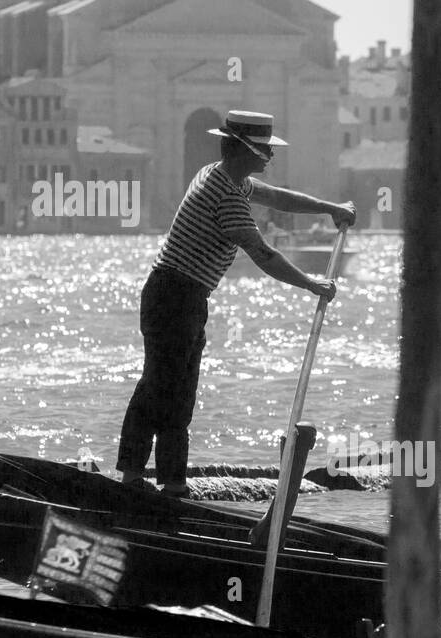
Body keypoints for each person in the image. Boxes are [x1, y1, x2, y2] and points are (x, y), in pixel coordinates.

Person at [116, 109, 357, 497]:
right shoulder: (225, 194)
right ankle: (137, 480)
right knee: (160, 389)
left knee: (178, 393)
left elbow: (276, 198)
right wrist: (312, 284)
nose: (271, 156)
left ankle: (170, 483)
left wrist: (329, 208)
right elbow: (263, 255)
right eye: (265, 150)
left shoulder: (224, 175)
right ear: (245, 150)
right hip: (173, 295)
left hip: (186, 296)